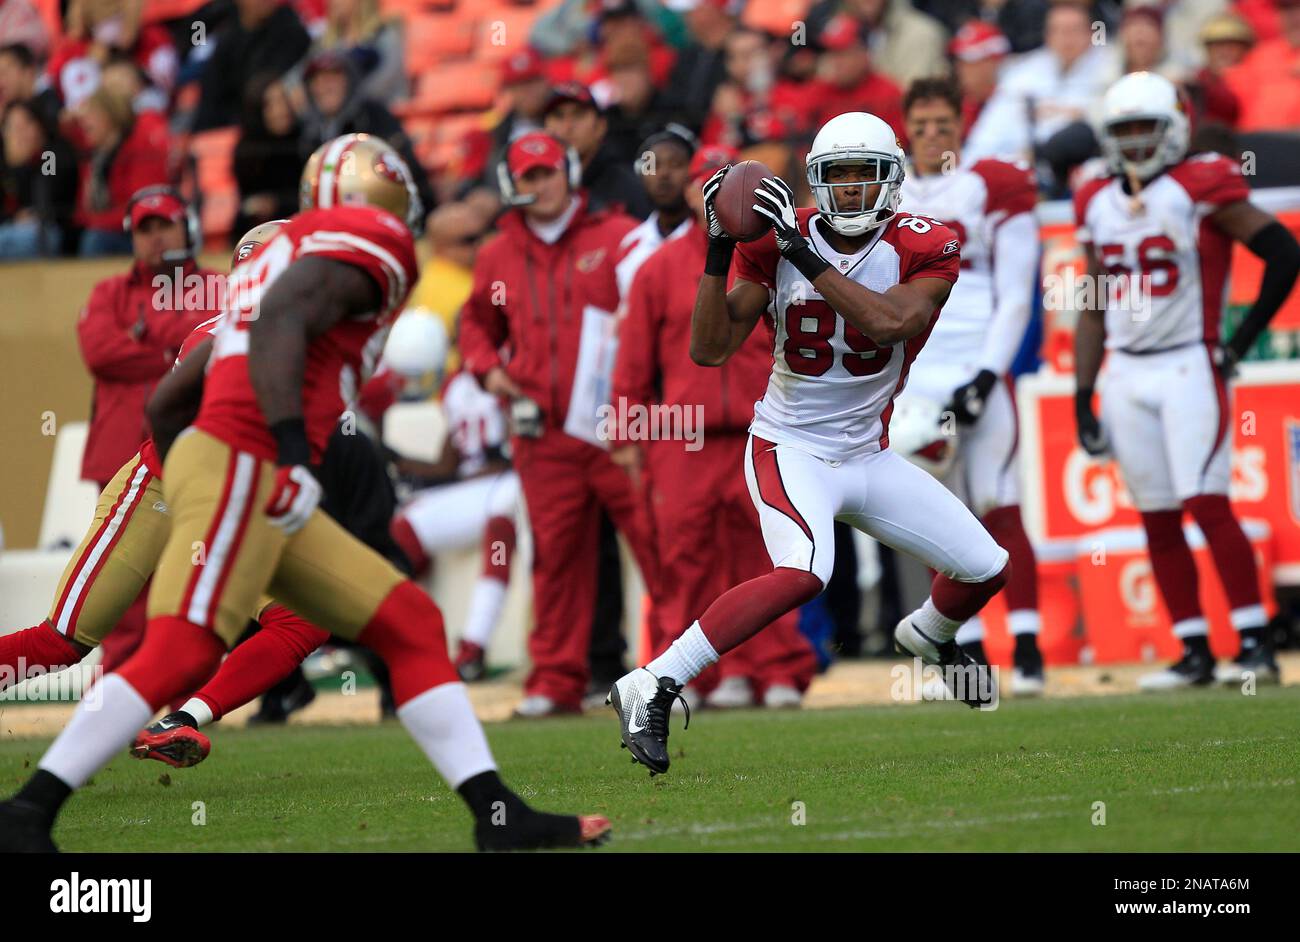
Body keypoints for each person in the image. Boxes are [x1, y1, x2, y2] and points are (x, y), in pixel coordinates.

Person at [0, 134, 610, 853]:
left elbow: (168, 404)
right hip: (241, 465)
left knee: (406, 621)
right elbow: (273, 333)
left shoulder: (269, 285)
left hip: (230, 468)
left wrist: (208, 471)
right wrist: (279, 456)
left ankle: (495, 815)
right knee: (149, 643)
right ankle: (28, 813)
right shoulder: (359, 250)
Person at [609, 111, 1010, 776]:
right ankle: (650, 681)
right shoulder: (769, 241)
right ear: (817, 183)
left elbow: (890, 323)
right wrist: (717, 249)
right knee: (806, 571)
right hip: (789, 445)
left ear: (892, 181)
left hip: (868, 454)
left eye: (864, 176)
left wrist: (800, 252)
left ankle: (930, 635)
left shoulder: (926, 242)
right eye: (838, 177)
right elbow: (708, 349)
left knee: (986, 565)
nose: (851, 190)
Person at [1073, 71, 1299, 690]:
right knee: (1157, 514)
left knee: (1206, 501)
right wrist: (1082, 391)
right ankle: (1194, 650)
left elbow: (1283, 252)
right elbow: (1092, 302)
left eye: (1148, 126)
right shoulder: (1094, 196)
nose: (1138, 140)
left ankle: (1256, 643)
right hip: (1126, 369)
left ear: (1174, 127)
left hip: (1188, 362)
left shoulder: (1201, 183)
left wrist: (1238, 342)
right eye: (1125, 130)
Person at [0, 221, 284, 708]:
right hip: (160, 489)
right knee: (64, 643)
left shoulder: (300, 346)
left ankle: (188, 720)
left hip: (226, 501)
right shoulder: (220, 341)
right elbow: (172, 421)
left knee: (301, 621)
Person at [459, 130, 659, 717]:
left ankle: (684, 666)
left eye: (547, 172)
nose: (541, 185)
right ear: (512, 184)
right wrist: (489, 372)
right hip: (542, 433)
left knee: (659, 543)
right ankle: (554, 680)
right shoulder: (498, 253)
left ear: (568, 172)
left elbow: (652, 318)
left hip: (616, 427)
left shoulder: (619, 237)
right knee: (554, 558)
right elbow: (477, 327)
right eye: (529, 177)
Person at [612, 143, 818, 710]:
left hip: (763, 427)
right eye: (707, 182)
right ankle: (695, 680)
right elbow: (634, 360)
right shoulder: (656, 269)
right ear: (689, 192)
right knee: (686, 560)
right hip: (684, 437)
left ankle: (775, 669)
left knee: (772, 558)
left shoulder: (775, 257)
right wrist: (628, 435)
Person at [896, 76, 1045, 694]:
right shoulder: (889, 187)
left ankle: (1031, 649)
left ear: (963, 126)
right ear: (907, 129)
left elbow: (1015, 292)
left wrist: (987, 373)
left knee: (998, 503)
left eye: (944, 125)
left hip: (975, 363)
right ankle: (965, 654)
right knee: (943, 522)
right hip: (913, 375)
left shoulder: (988, 185)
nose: (933, 137)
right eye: (922, 125)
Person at [297, 49, 434, 217]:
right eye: (317, 80)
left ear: (350, 80)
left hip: (381, 211)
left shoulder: (374, 116)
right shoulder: (306, 130)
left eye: (333, 77)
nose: (324, 86)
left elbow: (402, 174)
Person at [72, 86, 170, 256]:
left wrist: (96, 221)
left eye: (92, 114)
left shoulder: (139, 149)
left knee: (95, 239)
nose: (84, 121)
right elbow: (83, 210)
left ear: (112, 116)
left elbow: (142, 208)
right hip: (107, 228)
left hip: (141, 235)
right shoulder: (94, 159)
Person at [192, 0, 311, 132]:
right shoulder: (226, 37)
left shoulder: (292, 32)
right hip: (231, 130)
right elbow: (211, 96)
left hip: (279, 131)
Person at [543, 82, 651, 219]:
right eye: (558, 116)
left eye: (578, 115)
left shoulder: (631, 188)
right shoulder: (539, 186)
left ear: (601, 126)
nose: (568, 126)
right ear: (545, 128)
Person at [0, 99, 78, 258]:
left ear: (39, 126)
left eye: (25, 126)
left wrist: (21, 166)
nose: (19, 134)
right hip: (10, 226)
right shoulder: (4, 158)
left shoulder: (51, 153)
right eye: (12, 128)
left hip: (51, 227)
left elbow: (49, 196)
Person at [233, 74, 303, 237]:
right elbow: (244, 205)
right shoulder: (247, 150)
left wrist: (276, 203)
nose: (281, 110)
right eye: (269, 105)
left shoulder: (304, 140)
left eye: (283, 100)